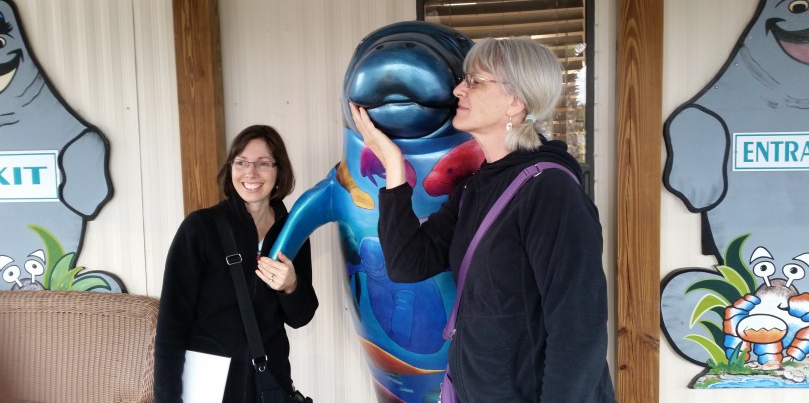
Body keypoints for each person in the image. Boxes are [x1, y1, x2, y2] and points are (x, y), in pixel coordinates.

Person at [350, 38, 616, 402]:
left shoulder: (550, 192)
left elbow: (578, 328)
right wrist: (393, 165)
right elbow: (406, 264)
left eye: (474, 81)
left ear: (516, 101)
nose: (459, 89)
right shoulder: (475, 189)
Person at [154, 125, 318, 402]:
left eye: (263, 163)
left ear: (279, 172)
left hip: (269, 380)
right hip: (208, 383)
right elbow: (171, 325)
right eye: (241, 162)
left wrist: (291, 286)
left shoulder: (292, 231)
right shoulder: (200, 229)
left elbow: (300, 317)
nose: (251, 173)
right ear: (231, 169)